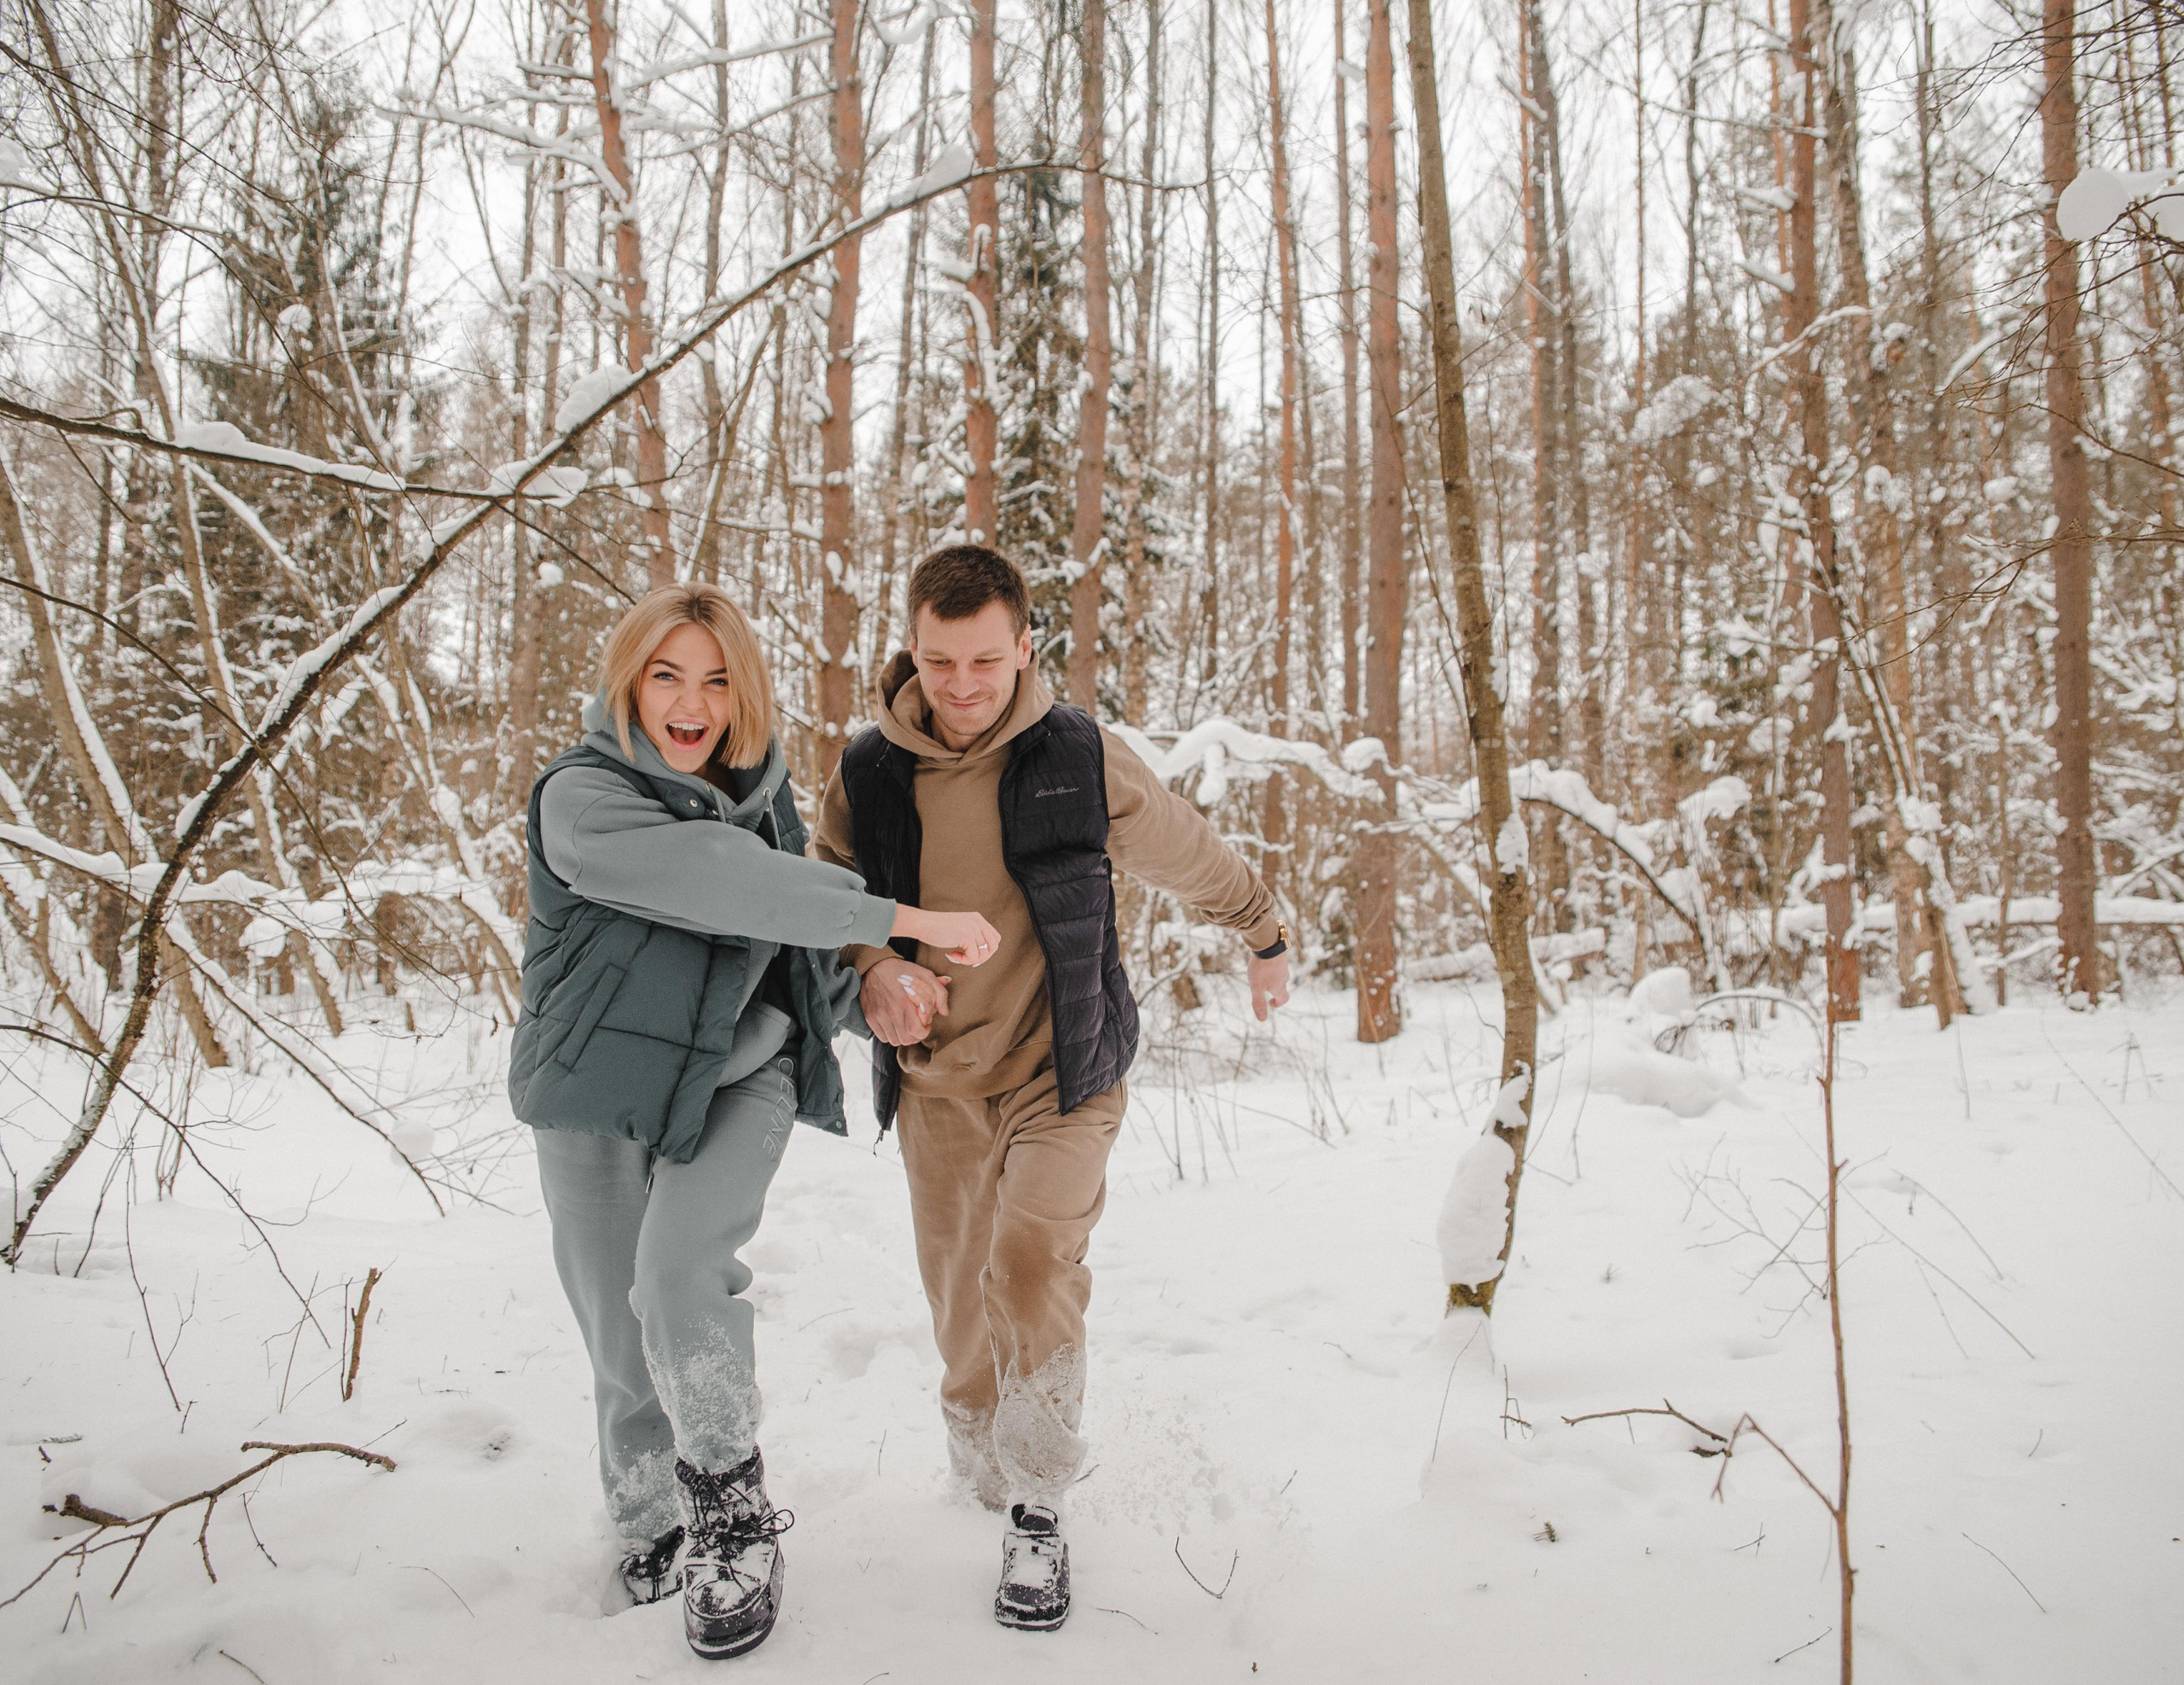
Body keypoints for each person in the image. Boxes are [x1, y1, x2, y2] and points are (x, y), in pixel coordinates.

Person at [508, 583, 1002, 1660]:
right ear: (630, 682)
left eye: (719, 678)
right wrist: (902, 921)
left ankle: (729, 1509)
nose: (693, 701)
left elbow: (781, 943)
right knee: (617, 1326)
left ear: (746, 694)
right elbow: (728, 887)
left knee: (678, 1276)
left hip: (745, 1072)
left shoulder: (764, 802)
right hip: (600, 1087)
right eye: (668, 674)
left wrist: (871, 991)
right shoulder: (582, 799)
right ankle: (649, 1519)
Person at [815, 545, 1291, 1631]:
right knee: (961, 1314)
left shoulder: (1075, 755)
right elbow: (830, 908)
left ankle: (1037, 1502)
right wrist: (875, 972)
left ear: (1026, 646)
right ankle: (981, 1461)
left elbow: (1182, 847)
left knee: (1029, 1264)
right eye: (940, 663)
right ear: (912, 653)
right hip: (937, 1089)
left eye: (987, 659)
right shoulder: (869, 773)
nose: (965, 686)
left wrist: (1261, 928)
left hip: (1061, 1070)